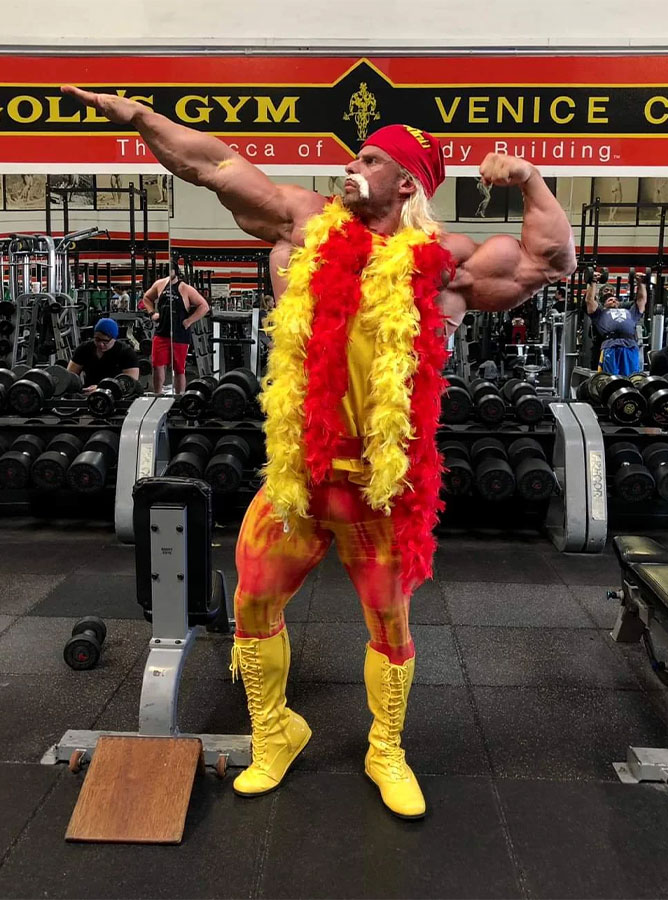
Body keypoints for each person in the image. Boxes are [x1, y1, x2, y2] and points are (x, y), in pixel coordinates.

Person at [62, 84, 576, 819]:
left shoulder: (445, 263)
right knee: (253, 600)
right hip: (299, 477)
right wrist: (142, 117)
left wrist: (528, 178)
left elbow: (548, 262)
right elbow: (213, 166)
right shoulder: (303, 225)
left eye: (368, 157)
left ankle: (386, 748)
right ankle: (276, 732)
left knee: (389, 624)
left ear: (408, 180)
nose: (350, 164)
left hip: (382, 489)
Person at [140, 262, 209, 394]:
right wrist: (152, 313)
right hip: (161, 332)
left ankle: (179, 397)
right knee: (157, 366)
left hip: (180, 334)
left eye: (171, 270)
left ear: (176, 272)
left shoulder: (186, 289)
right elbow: (147, 297)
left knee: (178, 369)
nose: (168, 273)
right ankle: (158, 394)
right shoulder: (159, 284)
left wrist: (189, 321)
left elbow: (204, 306)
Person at [585, 274, 647, 375]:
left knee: (632, 377)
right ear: (604, 304)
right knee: (610, 379)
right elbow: (589, 300)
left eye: (615, 300)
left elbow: (641, 300)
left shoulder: (629, 312)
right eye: (610, 300)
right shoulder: (600, 313)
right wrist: (593, 282)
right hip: (610, 347)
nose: (613, 300)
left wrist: (641, 283)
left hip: (630, 347)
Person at [67, 318, 140, 392]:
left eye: (105, 341)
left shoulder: (126, 353)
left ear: (114, 339)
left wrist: (101, 389)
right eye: (97, 339)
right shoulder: (83, 349)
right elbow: (70, 378)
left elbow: (131, 385)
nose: (101, 344)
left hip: (117, 396)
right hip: (88, 395)